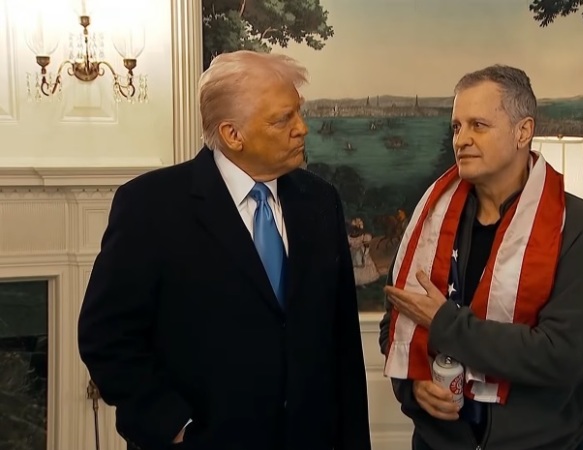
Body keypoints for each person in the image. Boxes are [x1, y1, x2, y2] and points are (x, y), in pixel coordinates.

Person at [78, 50, 371, 450]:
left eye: (298, 113)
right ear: (233, 134)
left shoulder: (321, 202)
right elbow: (106, 337)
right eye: (283, 119)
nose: (302, 128)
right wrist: (174, 427)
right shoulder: (151, 206)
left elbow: (342, 345)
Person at [378, 65, 583, 450]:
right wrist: (413, 385)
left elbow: (559, 356)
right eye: (456, 127)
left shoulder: (578, 227)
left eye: (478, 125)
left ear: (523, 131)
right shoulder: (430, 220)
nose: (462, 139)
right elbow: (395, 326)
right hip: (440, 443)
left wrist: (446, 324)